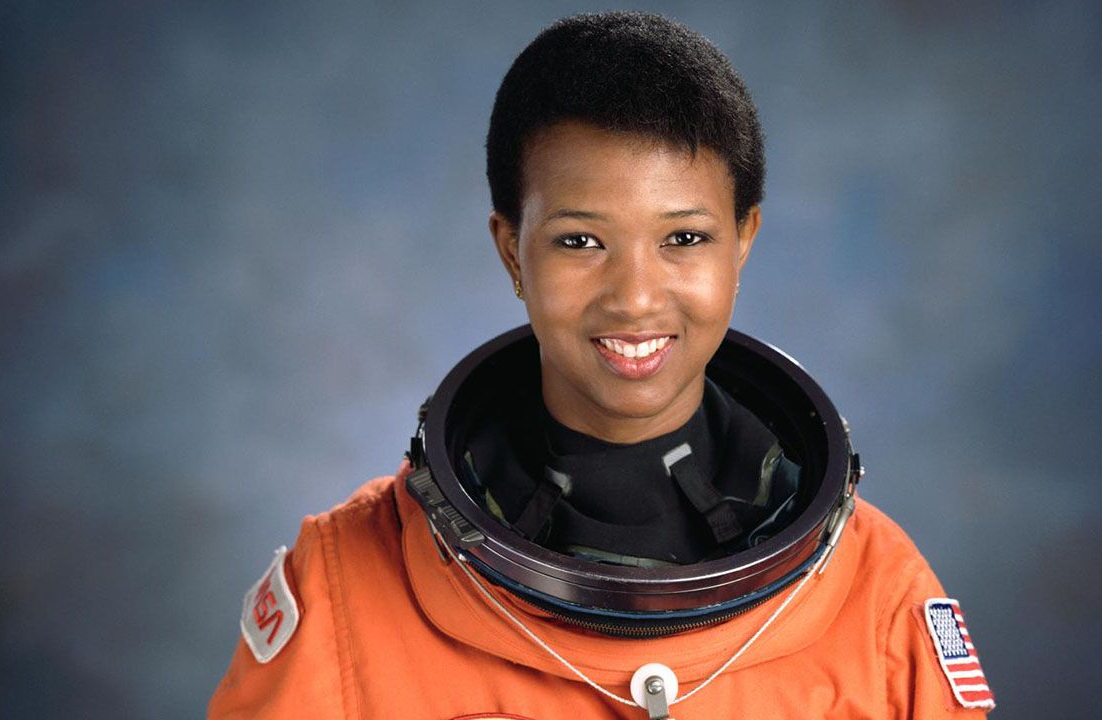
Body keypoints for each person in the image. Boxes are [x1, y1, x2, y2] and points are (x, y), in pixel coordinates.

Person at [208, 11, 995, 719]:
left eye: (684, 238)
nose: (635, 298)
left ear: (742, 242)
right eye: (580, 241)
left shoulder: (878, 597)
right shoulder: (344, 588)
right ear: (512, 251)